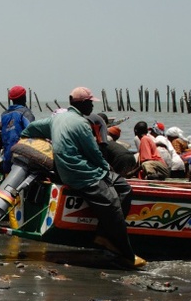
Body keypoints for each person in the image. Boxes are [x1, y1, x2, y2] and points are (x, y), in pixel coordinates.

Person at [21, 87, 145, 269]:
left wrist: (28, 142)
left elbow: (30, 129)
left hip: (72, 170)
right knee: (112, 205)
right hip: (81, 173)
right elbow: (94, 153)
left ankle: (104, 236)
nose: (92, 107)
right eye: (90, 103)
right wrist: (106, 168)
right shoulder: (81, 124)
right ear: (83, 104)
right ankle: (126, 253)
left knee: (124, 188)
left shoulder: (57, 118)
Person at [0, 85, 35, 172]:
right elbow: (32, 131)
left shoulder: (4, 115)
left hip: (7, 157)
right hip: (21, 158)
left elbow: (1, 136)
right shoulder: (25, 113)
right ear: (24, 98)